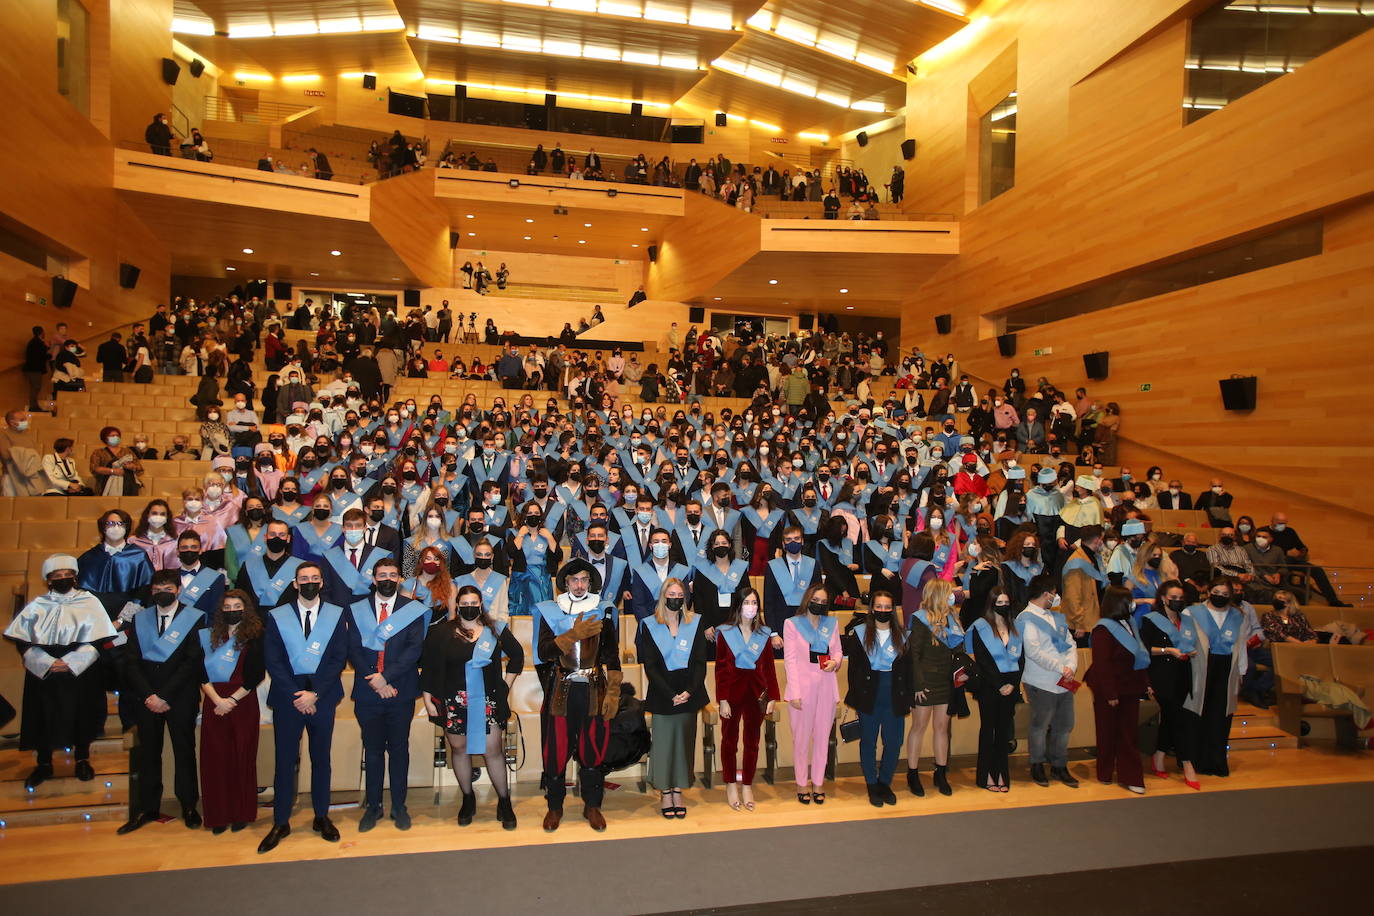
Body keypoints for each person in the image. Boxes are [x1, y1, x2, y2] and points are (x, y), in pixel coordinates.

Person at [3, 555, 117, 789]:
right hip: (45, 672)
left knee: (82, 713)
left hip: (81, 670)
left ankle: (82, 759)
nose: (63, 579)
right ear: (48, 580)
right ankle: (44, 763)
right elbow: (23, 642)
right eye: (57, 576)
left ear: (75, 577)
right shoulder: (37, 604)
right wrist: (45, 662)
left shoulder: (90, 601)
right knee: (42, 715)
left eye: (67, 575)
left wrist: (73, 661)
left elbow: (99, 639)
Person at [258, 563, 349, 854]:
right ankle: (280, 821)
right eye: (303, 579)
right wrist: (297, 694)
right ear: (295, 584)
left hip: (322, 698)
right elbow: (272, 659)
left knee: (321, 759)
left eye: (314, 579)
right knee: (285, 761)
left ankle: (321, 816)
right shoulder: (277, 616)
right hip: (288, 699)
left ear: (322, 583)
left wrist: (315, 693)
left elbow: (338, 658)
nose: (309, 583)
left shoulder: (335, 614)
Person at [116, 569, 207, 833]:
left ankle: (189, 805)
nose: (161, 593)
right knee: (148, 754)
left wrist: (165, 695)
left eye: (167, 588)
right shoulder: (141, 619)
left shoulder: (194, 618)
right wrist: (149, 695)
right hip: (146, 698)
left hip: (180, 697)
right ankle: (147, 807)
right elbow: (131, 661)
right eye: (156, 589)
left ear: (178, 589)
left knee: (184, 751)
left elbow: (192, 661)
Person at [535, 558, 622, 832]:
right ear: (566, 583)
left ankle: (592, 805)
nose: (580, 584)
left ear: (590, 582)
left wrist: (614, 692)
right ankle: (555, 807)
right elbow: (543, 653)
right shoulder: (551, 612)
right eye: (574, 580)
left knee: (592, 749)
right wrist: (572, 634)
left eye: (584, 579)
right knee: (556, 750)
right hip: (561, 689)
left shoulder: (603, 611)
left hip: (594, 689)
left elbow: (612, 656)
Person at [347, 558, 429, 832]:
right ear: (373, 579)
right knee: (371, 751)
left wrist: (387, 677)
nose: (387, 579)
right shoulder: (357, 609)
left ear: (399, 579)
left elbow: (414, 649)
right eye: (382, 575)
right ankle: (373, 806)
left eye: (393, 575)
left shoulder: (413, 610)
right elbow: (353, 649)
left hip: (400, 690)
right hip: (369, 691)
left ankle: (399, 806)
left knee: (398, 750)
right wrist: (376, 679)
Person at [639, 578, 709, 819]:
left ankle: (678, 790)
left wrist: (689, 690)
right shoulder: (649, 624)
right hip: (663, 693)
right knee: (664, 745)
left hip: (690, 691)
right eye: (671, 593)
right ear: (663, 596)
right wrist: (670, 694)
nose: (676, 598)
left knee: (683, 744)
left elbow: (700, 660)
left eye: (680, 594)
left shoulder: (695, 622)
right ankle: (665, 792)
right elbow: (650, 665)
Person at [198, 590, 265, 834]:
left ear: (245, 609)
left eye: (237, 606)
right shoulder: (208, 636)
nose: (231, 610)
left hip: (242, 703)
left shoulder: (255, 636)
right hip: (213, 703)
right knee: (215, 760)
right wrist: (217, 699)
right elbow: (200, 672)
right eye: (227, 607)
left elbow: (255, 675)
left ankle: (241, 813)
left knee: (242, 758)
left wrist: (231, 701)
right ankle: (218, 815)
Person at [843, 590, 912, 807]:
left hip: (895, 694)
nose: (883, 610)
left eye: (887, 607)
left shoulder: (903, 635)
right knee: (869, 742)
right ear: (872, 609)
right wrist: (856, 698)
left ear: (893, 610)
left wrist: (909, 696)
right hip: (869, 694)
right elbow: (853, 671)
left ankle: (885, 782)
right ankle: (872, 784)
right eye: (879, 606)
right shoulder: (859, 633)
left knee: (893, 743)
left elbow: (909, 670)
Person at [714, 587, 779, 810]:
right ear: (738, 605)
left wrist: (772, 695)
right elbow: (721, 669)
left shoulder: (764, 633)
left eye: (754, 602)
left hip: (756, 693)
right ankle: (731, 783)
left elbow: (769, 667)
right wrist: (722, 698)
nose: (751, 606)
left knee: (752, 742)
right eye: (747, 602)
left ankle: (748, 784)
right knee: (729, 740)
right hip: (731, 693)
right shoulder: (725, 632)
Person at [1179, 577, 1248, 779]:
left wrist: (1241, 672)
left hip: (1226, 670)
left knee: (1220, 716)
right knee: (1197, 713)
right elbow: (1185, 640)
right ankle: (1194, 760)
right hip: (1200, 667)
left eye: (1225, 595)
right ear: (1208, 592)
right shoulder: (1192, 612)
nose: (1220, 597)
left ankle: (1216, 762)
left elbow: (1241, 644)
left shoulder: (1237, 615)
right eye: (1216, 593)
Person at [1084, 586, 1150, 795]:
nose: (1133, 604)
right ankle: (1104, 772)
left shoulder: (1130, 624)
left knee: (1128, 734)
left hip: (1130, 686)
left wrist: (1146, 682)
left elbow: (1138, 655)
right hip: (1109, 687)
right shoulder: (1103, 629)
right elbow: (1102, 664)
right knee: (1106, 732)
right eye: (1128, 600)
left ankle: (1130, 776)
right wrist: (1110, 693)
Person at [1016, 572, 1080, 788]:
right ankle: (1037, 764)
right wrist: (1059, 667)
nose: (1056, 597)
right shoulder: (1025, 618)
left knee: (1065, 724)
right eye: (1054, 593)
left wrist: (1070, 667)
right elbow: (1033, 651)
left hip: (1064, 680)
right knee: (1040, 725)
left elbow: (1071, 643)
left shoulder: (1056, 617)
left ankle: (1059, 765)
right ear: (1046, 594)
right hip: (1040, 681)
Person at [783, 582, 842, 805]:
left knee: (821, 738)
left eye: (822, 602)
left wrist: (835, 662)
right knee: (801, 739)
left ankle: (818, 782)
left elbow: (837, 651)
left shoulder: (831, 624)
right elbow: (790, 660)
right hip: (801, 688)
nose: (818, 604)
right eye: (815, 600)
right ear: (808, 600)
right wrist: (795, 692)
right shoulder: (792, 624)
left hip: (826, 684)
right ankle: (801, 782)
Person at [905, 578, 964, 797]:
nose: (953, 596)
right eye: (949, 593)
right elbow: (915, 655)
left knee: (942, 727)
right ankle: (913, 773)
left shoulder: (951, 618)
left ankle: (940, 772)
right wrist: (918, 684)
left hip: (945, 681)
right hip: (925, 682)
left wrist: (954, 626)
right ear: (939, 594)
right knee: (919, 727)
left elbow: (959, 648)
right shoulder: (920, 619)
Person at [1138, 580, 1200, 789]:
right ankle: (1187, 763)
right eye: (1173, 598)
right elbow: (1145, 649)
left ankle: (1159, 756)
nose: (1177, 601)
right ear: (1164, 598)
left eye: (1181, 598)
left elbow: (1191, 645)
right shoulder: (1151, 620)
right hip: (1161, 675)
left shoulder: (1187, 621)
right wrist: (1168, 650)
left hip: (1183, 674)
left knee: (1171, 719)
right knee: (1179, 719)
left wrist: (1188, 652)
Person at [965, 588, 1022, 792]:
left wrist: (1013, 683)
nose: (1004, 606)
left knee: (1003, 732)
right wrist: (999, 684)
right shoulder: (981, 627)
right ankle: (986, 775)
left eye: (1007, 602)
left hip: (1010, 685)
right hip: (989, 686)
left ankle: (1002, 774)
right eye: (1000, 603)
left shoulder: (1015, 627)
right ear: (992, 604)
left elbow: (1020, 659)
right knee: (988, 731)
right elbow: (982, 660)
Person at [0, 409, 47, 496]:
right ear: (12, 422)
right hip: (12, 475)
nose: (25, 422)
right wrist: (25, 453)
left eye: (25, 419)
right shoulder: (3, 434)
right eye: (22, 420)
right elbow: (6, 455)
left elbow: (35, 454)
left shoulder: (28, 434)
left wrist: (24, 453)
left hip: (30, 475)